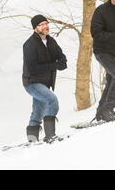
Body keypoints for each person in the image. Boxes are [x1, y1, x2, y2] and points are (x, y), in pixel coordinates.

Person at [22, 14, 67, 143]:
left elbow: (62, 59)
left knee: (38, 110)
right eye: (41, 25)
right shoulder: (30, 44)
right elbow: (32, 68)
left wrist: (61, 63)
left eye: (46, 23)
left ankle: (32, 139)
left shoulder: (51, 41)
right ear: (35, 28)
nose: (45, 26)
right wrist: (54, 65)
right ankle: (50, 135)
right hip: (32, 82)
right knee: (51, 100)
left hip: (44, 83)